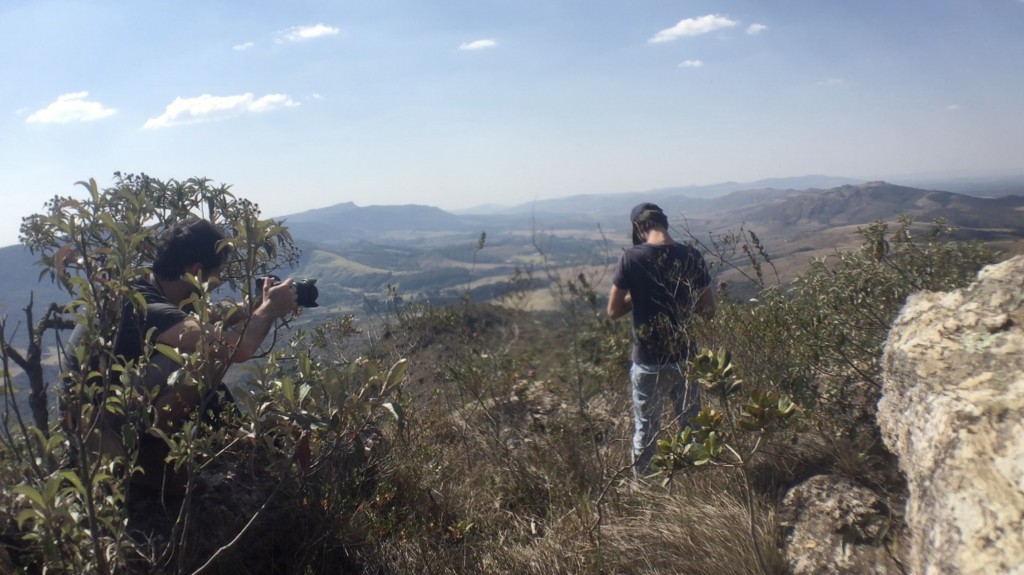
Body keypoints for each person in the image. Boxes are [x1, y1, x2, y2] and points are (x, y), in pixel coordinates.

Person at [87, 217, 299, 491]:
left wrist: (254, 305)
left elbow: (205, 318)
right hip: (107, 437)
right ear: (196, 270)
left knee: (201, 348)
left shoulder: (148, 290)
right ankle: (156, 457)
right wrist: (269, 310)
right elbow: (237, 348)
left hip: (111, 414)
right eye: (217, 272)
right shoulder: (146, 307)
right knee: (205, 358)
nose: (219, 279)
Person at [607, 203, 715, 474]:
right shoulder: (691, 255)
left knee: (646, 430)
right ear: (664, 224)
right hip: (685, 357)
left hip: (647, 360)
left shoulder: (630, 259)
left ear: (638, 227)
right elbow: (708, 311)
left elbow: (613, 311)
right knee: (692, 425)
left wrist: (638, 295)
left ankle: (641, 490)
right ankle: (696, 483)